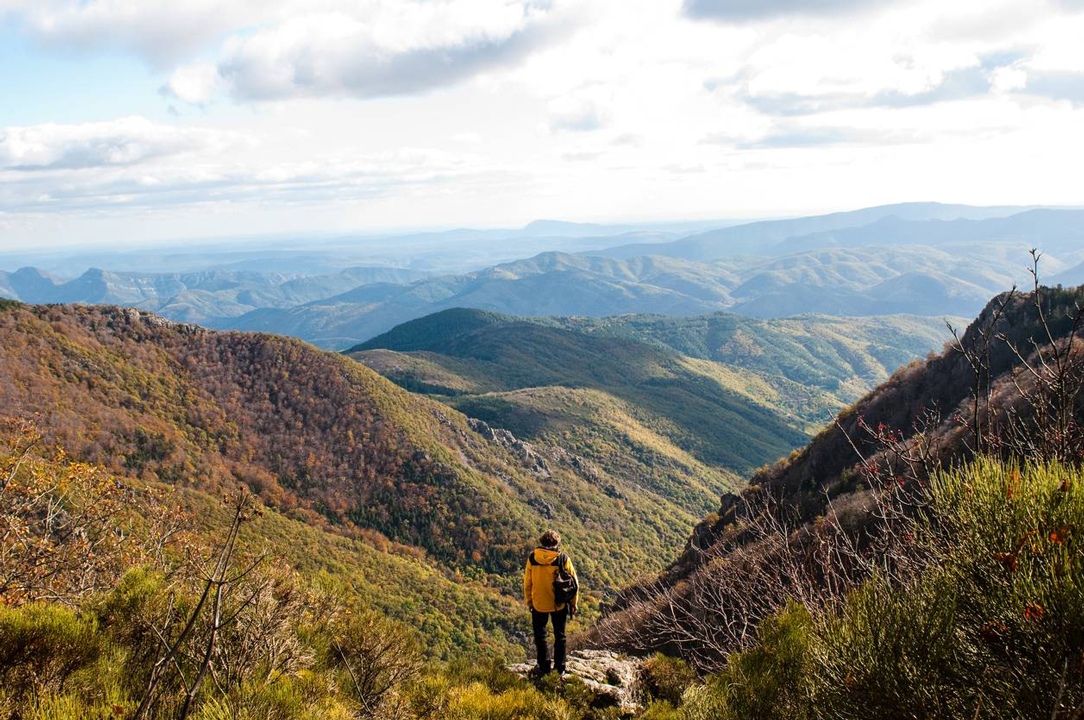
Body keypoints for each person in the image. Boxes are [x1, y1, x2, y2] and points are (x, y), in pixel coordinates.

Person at [523, 529, 579, 676]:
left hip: (538, 603)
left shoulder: (533, 558)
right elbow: (574, 583)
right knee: (560, 636)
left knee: (540, 636)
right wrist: (573, 603)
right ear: (556, 543)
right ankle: (560, 668)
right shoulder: (562, 559)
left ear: (542, 542)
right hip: (558, 603)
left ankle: (544, 666)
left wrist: (529, 602)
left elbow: (527, 583)